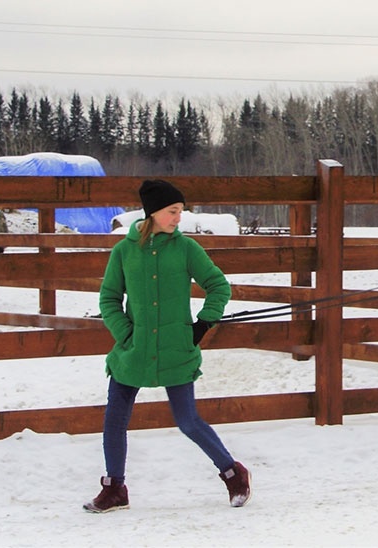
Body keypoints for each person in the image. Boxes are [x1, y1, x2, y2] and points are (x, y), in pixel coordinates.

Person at [84, 179, 251, 514]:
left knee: (187, 420)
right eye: (173, 211)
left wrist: (204, 322)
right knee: (114, 420)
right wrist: (125, 335)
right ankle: (114, 488)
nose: (178, 218)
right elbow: (109, 298)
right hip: (133, 350)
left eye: (180, 212)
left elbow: (218, 285)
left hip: (176, 348)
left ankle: (234, 474)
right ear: (153, 212)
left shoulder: (186, 248)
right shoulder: (124, 251)